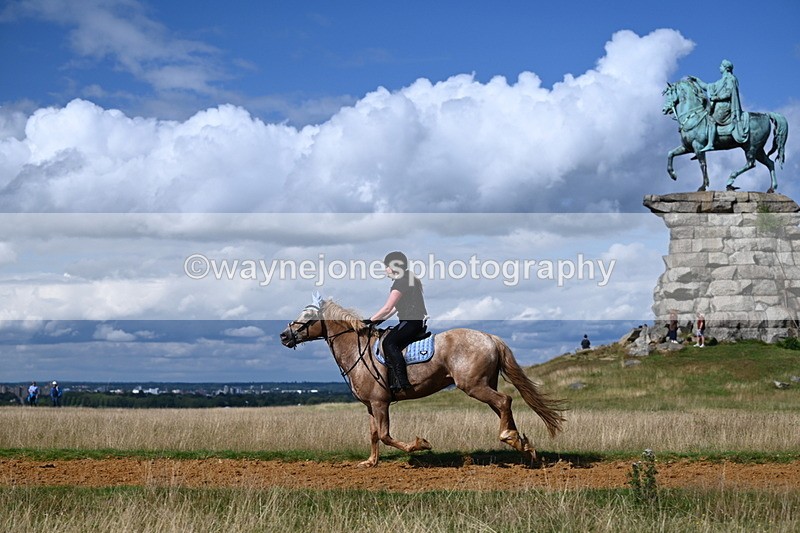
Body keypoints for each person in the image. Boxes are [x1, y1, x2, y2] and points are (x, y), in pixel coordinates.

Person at [366, 251, 428, 392]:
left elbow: (387, 308)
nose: (385, 270)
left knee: (389, 343)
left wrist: (369, 321)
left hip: (411, 322)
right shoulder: (407, 279)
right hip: (414, 321)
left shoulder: (401, 282)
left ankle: (402, 382)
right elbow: (394, 308)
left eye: (386, 266)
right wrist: (377, 322)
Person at [689, 59, 748, 152]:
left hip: (725, 107)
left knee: (710, 119)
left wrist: (717, 98)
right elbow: (707, 86)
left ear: (725, 68)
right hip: (718, 106)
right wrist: (697, 80)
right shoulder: (720, 81)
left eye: (721, 66)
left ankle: (710, 144)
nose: (719, 67)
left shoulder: (730, 79)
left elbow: (729, 93)